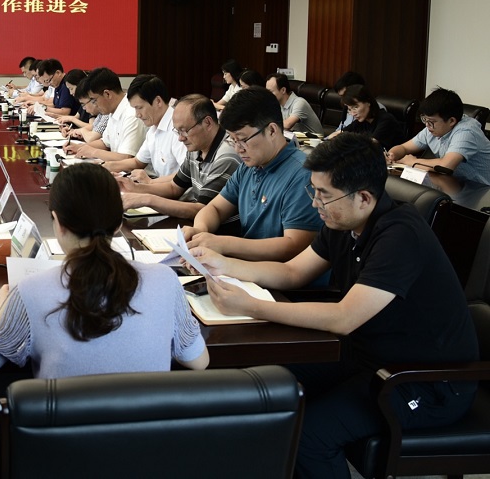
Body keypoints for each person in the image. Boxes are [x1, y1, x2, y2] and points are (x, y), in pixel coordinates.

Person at [190, 133, 477, 479]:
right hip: (367, 357)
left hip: (425, 381)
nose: (315, 204)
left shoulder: (401, 235)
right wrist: (225, 264)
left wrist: (251, 306)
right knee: (263, 384)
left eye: (323, 195)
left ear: (364, 197)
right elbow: (293, 272)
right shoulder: (344, 221)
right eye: (313, 191)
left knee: (310, 437)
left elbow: (344, 317)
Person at [0, 163, 208, 380]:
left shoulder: (29, 292)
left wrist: (0, 310)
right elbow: (199, 361)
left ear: (58, 222)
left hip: (61, 424)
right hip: (148, 423)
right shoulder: (165, 281)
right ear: (118, 223)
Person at [185, 87, 322, 261]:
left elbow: (294, 245)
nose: (238, 149)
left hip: (279, 274)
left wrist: (224, 244)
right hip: (246, 266)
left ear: (272, 130)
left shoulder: (303, 174)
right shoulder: (249, 166)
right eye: (232, 140)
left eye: (243, 140)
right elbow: (215, 208)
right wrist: (200, 231)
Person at [119, 94, 241, 226]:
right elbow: (174, 188)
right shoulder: (196, 148)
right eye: (177, 131)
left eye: (184, 130)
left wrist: (147, 199)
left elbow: (202, 209)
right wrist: (135, 187)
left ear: (207, 123)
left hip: (221, 231)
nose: (180, 138)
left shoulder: (226, 156)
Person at [387, 87, 490, 185]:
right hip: (455, 184)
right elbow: (404, 148)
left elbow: (446, 166)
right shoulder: (432, 127)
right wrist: (391, 155)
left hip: (482, 190)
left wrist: (413, 162)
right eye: (424, 119)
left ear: (451, 121)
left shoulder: (467, 131)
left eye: (431, 121)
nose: (427, 125)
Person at [103, 75, 186, 178]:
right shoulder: (153, 128)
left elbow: (185, 175)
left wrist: (149, 183)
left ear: (158, 101)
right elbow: (138, 162)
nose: (137, 115)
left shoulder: (178, 129)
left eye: (139, 108)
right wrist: (107, 166)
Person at [66, 67, 145, 161]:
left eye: (94, 100)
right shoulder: (113, 110)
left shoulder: (132, 114)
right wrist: (80, 147)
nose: (94, 105)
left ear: (107, 94)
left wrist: (93, 152)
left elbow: (126, 157)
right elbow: (105, 143)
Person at [334, 84, 404, 150]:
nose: (353, 114)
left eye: (355, 107)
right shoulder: (362, 121)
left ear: (368, 102)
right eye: (349, 109)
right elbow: (338, 134)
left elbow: (370, 146)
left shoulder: (386, 120)